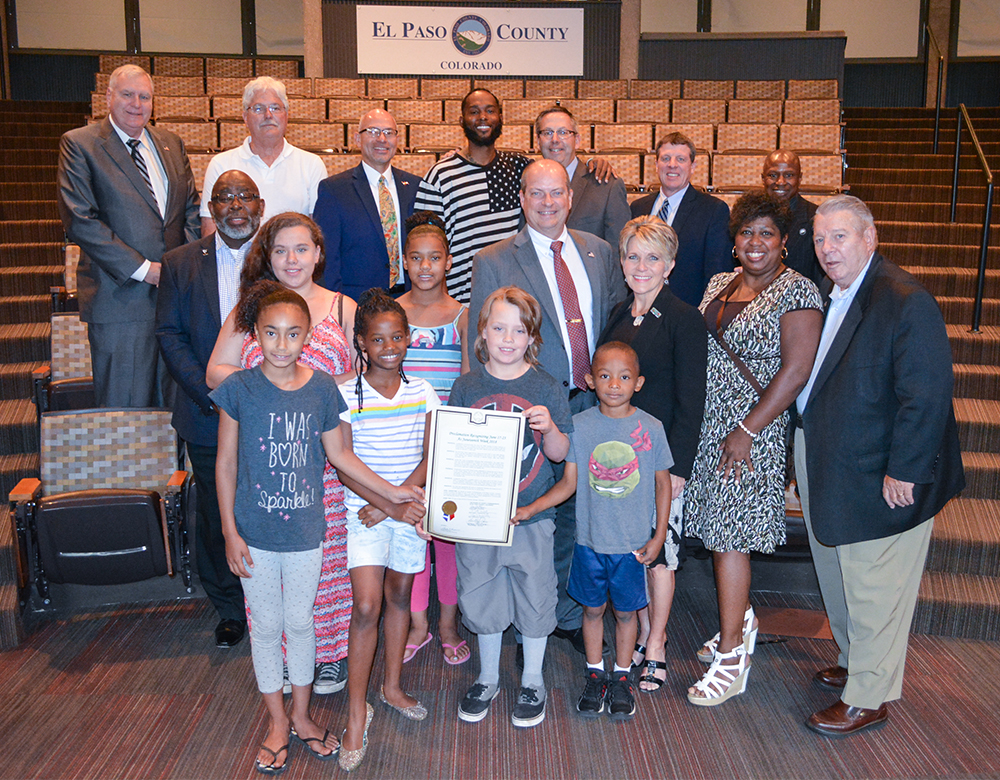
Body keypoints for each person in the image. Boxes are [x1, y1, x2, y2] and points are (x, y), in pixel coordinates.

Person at [212, 284, 423, 775]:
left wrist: (391, 495)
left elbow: (342, 456)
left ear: (309, 335)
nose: (281, 344)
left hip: (307, 532)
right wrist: (229, 531)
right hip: (253, 534)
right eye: (270, 333)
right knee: (266, 628)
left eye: (292, 334)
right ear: (256, 336)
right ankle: (276, 721)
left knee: (301, 622)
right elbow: (224, 465)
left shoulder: (323, 388)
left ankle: (303, 716)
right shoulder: (239, 388)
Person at [796, 195, 965, 736]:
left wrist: (907, 470)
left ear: (871, 237)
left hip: (881, 472)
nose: (827, 249)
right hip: (832, 461)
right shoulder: (829, 292)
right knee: (840, 576)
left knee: (874, 585)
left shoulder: (904, 299)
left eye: (839, 237)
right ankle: (854, 662)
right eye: (821, 239)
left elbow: (927, 395)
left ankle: (869, 695)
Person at [468, 158, 625, 654]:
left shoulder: (599, 252)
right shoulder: (494, 259)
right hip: (527, 403)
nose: (548, 202)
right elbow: (482, 337)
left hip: (591, 404)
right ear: (522, 198)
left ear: (570, 197)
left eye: (556, 192)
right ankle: (525, 618)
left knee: (581, 514)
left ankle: (566, 614)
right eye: (537, 193)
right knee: (529, 513)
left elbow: (615, 322)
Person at [208, 212, 357, 695]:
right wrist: (271, 393)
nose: (291, 260)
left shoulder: (342, 308)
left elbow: (369, 377)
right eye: (280, 250)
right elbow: (215, 371)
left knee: (328, 564)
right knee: (270, 576)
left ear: (318, 253)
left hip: (326, 462)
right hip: (264, 461)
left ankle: (329, 655)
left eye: (301, 249)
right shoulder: (253, 308)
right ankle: (281, 662)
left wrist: (318, 388)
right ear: (266, 256)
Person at [684, 191, 823, 706]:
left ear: (785, 241)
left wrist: (746, 429)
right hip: (709, 426)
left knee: (729, 536)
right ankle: (737, 623)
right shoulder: (721, 282)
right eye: (747, 232)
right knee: (716, 530)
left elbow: (795, 372)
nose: (755, 242)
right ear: (734, 239)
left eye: (767, 233)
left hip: (752, 434)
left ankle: (731, 658)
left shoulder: (798, 290)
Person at [516, 342, 673, 721]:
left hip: (632, 547)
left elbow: (663, 484)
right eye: (604, 376)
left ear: (638, 382)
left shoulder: (651, 428)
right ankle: (595, 674)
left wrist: (659, 536)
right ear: (589, 380)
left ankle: (621, 678)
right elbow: (568, 483)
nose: (614, 384)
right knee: (591, 611)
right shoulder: (580, 427)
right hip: (589, 544)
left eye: (623, 377)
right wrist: (531, 508)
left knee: (625, 614)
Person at [448, 286, 572, 729]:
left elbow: (558, 454)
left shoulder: (544, 386)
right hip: (479, 518)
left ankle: (533, 679)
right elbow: (454, 455)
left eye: (518, 330)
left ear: (532, 338)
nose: (507, 338)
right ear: (482, 332)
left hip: (532, 516)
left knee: (535, 598)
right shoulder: (466, 386)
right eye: (498, 327)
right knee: (480, 596)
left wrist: (551, 426)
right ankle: (486, 677)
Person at [596, 216, 708, 692]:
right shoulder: (619, 313)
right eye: (633, 256)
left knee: (660, 555)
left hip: (661, 463)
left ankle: (657, 642)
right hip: (620, 458)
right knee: (629, 550)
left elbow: (693, 399)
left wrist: (679, 466)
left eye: (653, 257)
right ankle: (640, 632)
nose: (642, 266)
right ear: (622, 262)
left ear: (670, 265)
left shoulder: (685, 318)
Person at [156, 170, 263, 648]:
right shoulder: (179, 263)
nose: (235, 205)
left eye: (244, 196)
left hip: (269, 412)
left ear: (260, 205)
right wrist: (209, 391)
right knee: (217, 515)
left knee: (263, 508)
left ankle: (270, 604)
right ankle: (230, 609)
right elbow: (169, 336)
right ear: (210, 208)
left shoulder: (278, 258)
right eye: (224, 197)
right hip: (203, 410)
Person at [336, 289, 440, 771]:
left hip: (406, 511)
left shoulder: (422, 392)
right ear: (361, 342)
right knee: (366, 605)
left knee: (400, 596)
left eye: (398, 337)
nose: (389, 346)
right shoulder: (345, 393)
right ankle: (357, 712)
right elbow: (344, 465)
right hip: (363, 514)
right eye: (378, 339)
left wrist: (397, 504)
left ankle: (392, 686)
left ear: (408, 340)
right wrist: (382, 505)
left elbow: (429, 456)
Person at [57, 63, 200, 407]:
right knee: (127, 412)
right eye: (127, 94)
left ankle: (173, 466)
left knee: (174, 406)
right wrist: (145, 269)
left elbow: (190, 209)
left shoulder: (170, 143)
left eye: (144, 96)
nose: (136, 103)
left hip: (174, 300)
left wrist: (183, 267)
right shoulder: (81, 144)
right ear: (109, 97)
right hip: (120, 300)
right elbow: (80, 219)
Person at [415, 89, 614, 303]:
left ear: (500, 118)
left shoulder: (518, 168)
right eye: (474, 111)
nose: (483, 117)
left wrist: (592, 164)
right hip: (462, 303)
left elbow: (554, 170)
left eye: (490, 111)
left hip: (514, 301)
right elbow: (426, 245)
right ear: (461, 120)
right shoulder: (440, 176)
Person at [396, 212, 471, 667]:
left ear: (447, 262)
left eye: (435, 258)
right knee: (412, 537)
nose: (425, 267)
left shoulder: (461, 314)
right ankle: (419, 624)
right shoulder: (394, 313)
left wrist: (457, 442)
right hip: (405, 442)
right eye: (416, 258)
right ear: (405, 262)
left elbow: (465, 383)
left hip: (446, 444)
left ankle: (447, 624)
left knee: (446, 536)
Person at [313, 109, 421, 300]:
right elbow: (327, 259)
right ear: (357, 139)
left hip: (410, 299)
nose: (382, 139)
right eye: (372, 131)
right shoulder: (334, 189)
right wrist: (338, 307)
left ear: (397, 139)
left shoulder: (415, 186)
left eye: (389, 132)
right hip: (356, 302)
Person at [199, 76, 327, 237]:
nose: (268, 115)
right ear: (245, 117)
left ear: (286, 115)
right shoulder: (221, 164)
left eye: (275, 108)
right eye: (258, 108)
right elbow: (210, 230)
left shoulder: (312, 165)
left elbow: (317, 231)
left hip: (291, 260)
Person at [629, 132, 733, 308]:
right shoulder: (637, 207)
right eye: (666, 158)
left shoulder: (714, 210)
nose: (672, 165)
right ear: (656, 164)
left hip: (686, 314)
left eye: (681, 159)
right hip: (640, 311)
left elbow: (717, 277)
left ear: (693, 166)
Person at [535, 106, 631, 260]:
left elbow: (620, 252)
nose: (555, 139)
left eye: (563, 132)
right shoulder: (527, 184)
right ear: (538, 142)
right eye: (547, 133)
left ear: (577, 141)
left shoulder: (607, 186)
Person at [762, 149, 824, 285]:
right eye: (773, 175)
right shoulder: (750, 217)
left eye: (789, 175)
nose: (780, 182)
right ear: (763, 178)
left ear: (800, 178)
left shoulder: (816, 217)